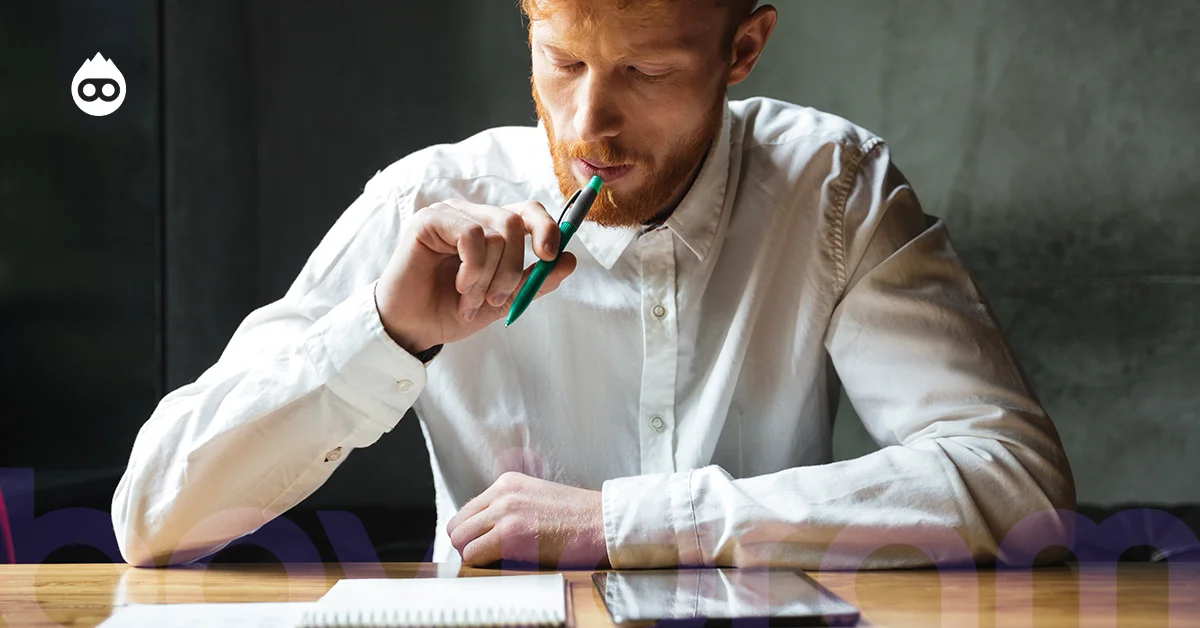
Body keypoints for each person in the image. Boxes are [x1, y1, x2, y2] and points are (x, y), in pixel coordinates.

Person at [112, 0, 1075, 569]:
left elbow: (1019, 487)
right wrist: (383, 336)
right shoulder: (428, 203)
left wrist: (625, 523)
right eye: (560, 59)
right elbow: (154, 518)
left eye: (646, 69)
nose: (586, 126)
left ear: (743, 49)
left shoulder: (832, 187)